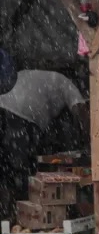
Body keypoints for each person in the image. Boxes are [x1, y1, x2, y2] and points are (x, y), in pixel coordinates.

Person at [0, 70, 87, 217]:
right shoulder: (66, 82)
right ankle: (21, 216)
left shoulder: (40, 76)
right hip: (23, 115)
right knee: (23, 173)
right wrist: (90, 139)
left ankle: (8, 214)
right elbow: (81, 111)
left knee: (6, 171)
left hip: (3, 108)